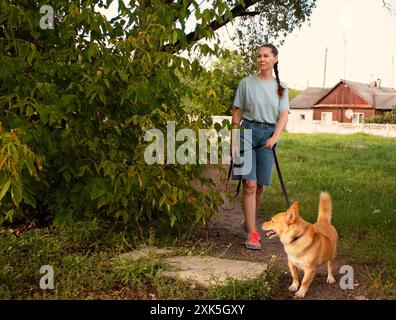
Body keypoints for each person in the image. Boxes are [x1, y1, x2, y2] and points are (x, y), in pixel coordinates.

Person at [231, 44, 289, 250]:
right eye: (259, 56)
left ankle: (249, 221)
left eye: (266, 56)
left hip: (268, 136)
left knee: (260, 187)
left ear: (275, 59)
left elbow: (283, 115)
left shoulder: (281, 88)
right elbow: (237, 113)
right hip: (247, 133)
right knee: (250, 185)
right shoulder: (246, 83)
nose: (261, 59)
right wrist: (233, 139)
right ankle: (253, 232)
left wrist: (275, 136)